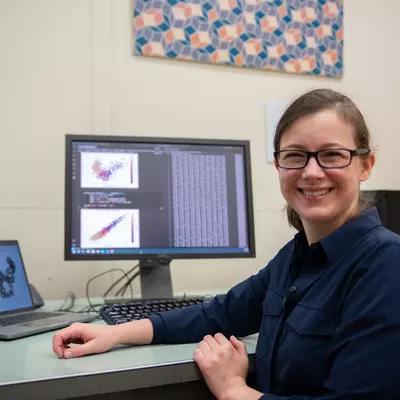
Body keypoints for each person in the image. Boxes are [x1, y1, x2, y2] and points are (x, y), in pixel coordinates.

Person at [53, 89, 400, 399]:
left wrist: (233, 389)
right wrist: (113, 334)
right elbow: (219, 313)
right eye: (295, 156)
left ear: (366, 164)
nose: (311, 172)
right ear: (278, 164)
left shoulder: (385, 265)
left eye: (332, 155)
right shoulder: (296, 259)